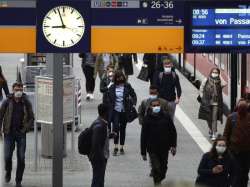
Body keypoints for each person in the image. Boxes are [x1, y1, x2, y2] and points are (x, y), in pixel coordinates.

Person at [0, 82, 34, 187]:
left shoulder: (26, 102)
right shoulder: (7, 102)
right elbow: (0, 116)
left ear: (22, 90)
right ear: (13, 90)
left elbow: (31, 118)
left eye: (20, 89)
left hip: (21, 134)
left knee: (21, 157)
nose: (18, 91)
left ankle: (18, 180)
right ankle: (8, 171)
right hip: (8, 133)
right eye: (16, 89)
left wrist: (25, 129)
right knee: (7, 156)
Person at [141, 98, 177, 186]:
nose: (156, 107)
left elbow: (173, 131)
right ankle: (157, 183)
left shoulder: (166, 117)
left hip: (164, 148)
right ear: (150, 107)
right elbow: (143, 136)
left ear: (160, 106)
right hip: (152, 148)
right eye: (154, 106)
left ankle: (159, 179)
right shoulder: (147, 119)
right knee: (156, 167)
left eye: (157, 105)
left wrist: (173, 146)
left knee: (163, 167)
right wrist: (143, 152)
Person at [107, 70, 137, 156]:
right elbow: (108, 97)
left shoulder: (127, 86)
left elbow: (134, 95)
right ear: (115, 78)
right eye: (118, 78)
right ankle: (115, 146)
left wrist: (133, 104)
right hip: (115, 111)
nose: (120, 79)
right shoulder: (112, 87)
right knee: (116, 128)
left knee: (123, 128)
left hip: (124, 111)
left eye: (121, 77)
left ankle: (121, 147)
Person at [223, 100, 250, 187]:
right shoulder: (231, 118)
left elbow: (225, 135)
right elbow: (226, 135)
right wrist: (225, 149)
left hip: (246, 153)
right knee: (236, 173)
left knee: (244, 173)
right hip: (234, 152)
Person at [88, 103, 115, 187]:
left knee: (100, 178)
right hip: (99, 157)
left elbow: (100, 138)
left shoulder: (101, 122)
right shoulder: (100, 125)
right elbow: (96, 143)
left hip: (100, 156)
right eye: (109, 112)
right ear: (106, 113)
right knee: (97, 179)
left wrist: (109, 135)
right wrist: (101, 158)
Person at [198, 68, 227, 140]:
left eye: (216, 72)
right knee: (208, 118)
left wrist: (220, 76)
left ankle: (214, 133)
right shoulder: (206, 80)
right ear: (211, 72)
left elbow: (225, 84)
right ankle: (211, 129)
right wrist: (202, 98)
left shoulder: (220, 82)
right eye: (213, 72)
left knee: (214, 118)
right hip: (207, 102)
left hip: (216, 103)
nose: (214, 73)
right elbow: (201, 89)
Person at [154, 55, 182, 120]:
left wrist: (178, 98)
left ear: (171, 66)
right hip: (161, 100)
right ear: (163, 67)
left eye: (169, 66)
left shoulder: (174, 76)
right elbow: (156, 87)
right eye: (166, 67)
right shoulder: (160, 76)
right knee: (161, 118)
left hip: (172, 101)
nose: (168, 68)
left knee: (170, 119)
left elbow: (178, 88)